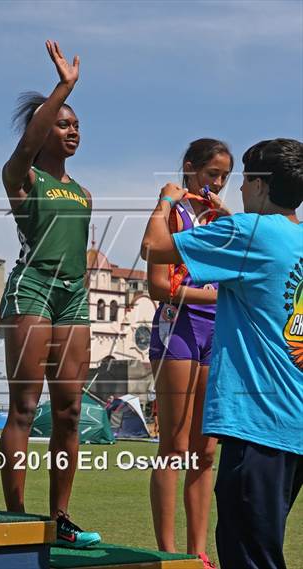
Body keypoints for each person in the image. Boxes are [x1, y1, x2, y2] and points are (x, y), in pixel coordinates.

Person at [141, 138, 303, 569]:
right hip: (293, 424)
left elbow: (154, 247)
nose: (236, 188)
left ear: (262, 185)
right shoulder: (296, 238)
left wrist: (164, 202)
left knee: (250, 556)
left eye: (243, 179)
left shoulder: (248, 233)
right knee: (263, 542)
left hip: (257, 426)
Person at [0, 40, 100, 548]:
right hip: (32, 288)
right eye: (62, 122)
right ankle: (14, 516)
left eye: (76, 123)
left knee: (69, 411)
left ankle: (59, 516)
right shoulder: (22, 178)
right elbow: (22, 148)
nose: (73, 129)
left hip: (74, 295)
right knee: (25, 405)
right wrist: (63, 88)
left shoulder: (83, 193)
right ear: (41, 134)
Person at [147, 139, 233, 564]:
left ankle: (198, 553)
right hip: (177, 328)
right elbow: (159, 286)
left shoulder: (221, 219)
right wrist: (220, 297)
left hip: (216, 333)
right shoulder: (172, 210)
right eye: (211, 173)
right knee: (174, 446)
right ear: (189, 167)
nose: (216, 182)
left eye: (224, 177)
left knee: (206, 451)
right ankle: (167, 552)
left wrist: (232, 217)